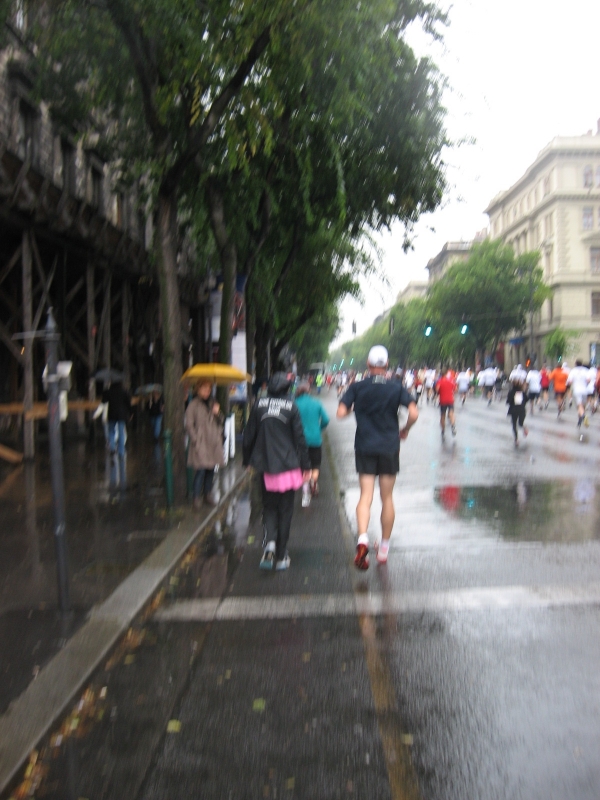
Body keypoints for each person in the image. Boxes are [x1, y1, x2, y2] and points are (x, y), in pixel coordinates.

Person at [336, 345, 418, 569]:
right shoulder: (396, 387)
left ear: (368, 364)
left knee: (365, 496)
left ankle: (362, 538)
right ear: (387, 365)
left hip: (365, 445)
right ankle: (383, 549)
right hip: (389, 446)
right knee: (387, 498)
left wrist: (354, 409)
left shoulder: (357, 387)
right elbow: (414, 413)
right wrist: (405, 429)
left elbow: (340, 413)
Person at [243, 372, 311, 571]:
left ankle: (270, 543)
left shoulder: (259, 405)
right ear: (287, 389)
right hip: (288, 466)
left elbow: (248, 435)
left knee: (269, 507)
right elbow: (300, 439)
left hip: (266, 466)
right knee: (286, 511)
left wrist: (247, 460)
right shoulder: (291, 407)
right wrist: (306, 466)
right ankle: (281, 556)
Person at [184, 380, 224, 511]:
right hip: (201, 443)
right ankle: (196, 498)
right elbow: (189, 424)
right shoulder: (193, 405)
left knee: (211, 469)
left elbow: (221, 421)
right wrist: (196, 439)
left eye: (209, 388)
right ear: (198, 389)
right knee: (200, 470)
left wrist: (217, 413)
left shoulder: (213, 403)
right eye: (204, 388)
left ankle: (207, 494)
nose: (207, 391)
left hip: (212, 442)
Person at [294, 382, 330, 507]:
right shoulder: (316, 403)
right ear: (309, 391)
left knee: (303, 466)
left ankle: (306, 490)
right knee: (315, 465)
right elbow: (326, 420)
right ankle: (314, 481)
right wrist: (318, 429)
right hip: (315, 439)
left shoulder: (294, 404)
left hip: (299, 440)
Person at [103, 380, 131, 458]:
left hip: (111, 414)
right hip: (121, 415)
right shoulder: (124, 392)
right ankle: (121, 451)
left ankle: (112, 448)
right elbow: (128, 403)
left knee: (111, 431)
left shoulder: (108, 392)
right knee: (121, 432)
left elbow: (103, 401)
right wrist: (130, 412)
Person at [566, 359, 591, 433]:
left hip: (577, 390)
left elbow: (570, 381)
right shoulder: (585, 370)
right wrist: (585, 383)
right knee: (583, 406)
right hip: (584, 390)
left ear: (575, 364)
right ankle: (579, 421)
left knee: (579, 406)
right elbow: (588, 380)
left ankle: (583, 416)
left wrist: (569, 384)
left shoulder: (573, 371)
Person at [506, 378, 529, 445]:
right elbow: (527, 399)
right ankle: (524, 428)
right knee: (520, 423)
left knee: (514, 424)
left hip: (513, 410)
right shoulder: (522, 392)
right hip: (522, 410)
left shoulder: (511, 392)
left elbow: (508, 401)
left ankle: (516, 439)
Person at [436, 369, 457, 439]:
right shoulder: (451, 381)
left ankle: (443, 430)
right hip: (450, 400)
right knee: (451, 414)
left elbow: (437, 390)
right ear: (446, 374)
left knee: (443, 416)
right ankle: (453, 426)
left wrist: (439, 393)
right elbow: (455, 389)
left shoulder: (439, 381)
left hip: (442, 400)